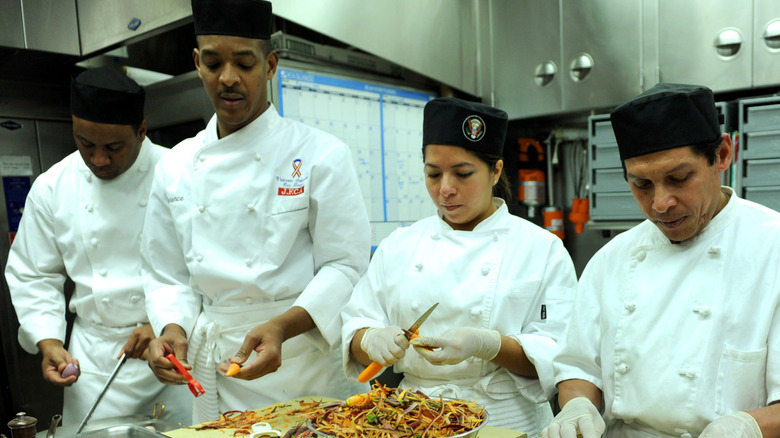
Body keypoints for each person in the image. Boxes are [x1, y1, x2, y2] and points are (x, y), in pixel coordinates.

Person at [141, 0, 371, 423]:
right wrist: (172, 331)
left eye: (244, 63)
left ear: (269, 65)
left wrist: (282, 327)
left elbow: (346, 264)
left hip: (302, 361)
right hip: (219, 367)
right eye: (213, 63)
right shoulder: (174, 165)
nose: (227, 78)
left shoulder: (321, 155)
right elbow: (166, 273)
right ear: (197, 63)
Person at [541, 83, 780, 438]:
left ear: (723, 155)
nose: (660, 203)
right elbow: (580, 367)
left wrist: (747, 426)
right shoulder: (611, 259)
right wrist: (578, 406)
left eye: (679, 178)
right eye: (641, 184)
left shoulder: (772, 248)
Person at [342, 97, 577, 437]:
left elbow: (559, 354)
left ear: (495, 171)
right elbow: (355, 330)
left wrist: (489, 344)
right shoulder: (400, 245)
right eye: (433, 174)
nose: (445, 189)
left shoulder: (542, 249)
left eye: (463, 173)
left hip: (505, 421)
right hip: (412, 418)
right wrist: (370, 340)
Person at [5, 66, 191, 425]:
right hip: (93, 362)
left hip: (172, 354)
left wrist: (168, 323)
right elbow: (32, 273)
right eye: (85, 144)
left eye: (113, 147)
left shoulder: (180, 172)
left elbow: (208, 268)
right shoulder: (53, 186)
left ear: (141, 130)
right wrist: (49, 343)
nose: (99, 159)